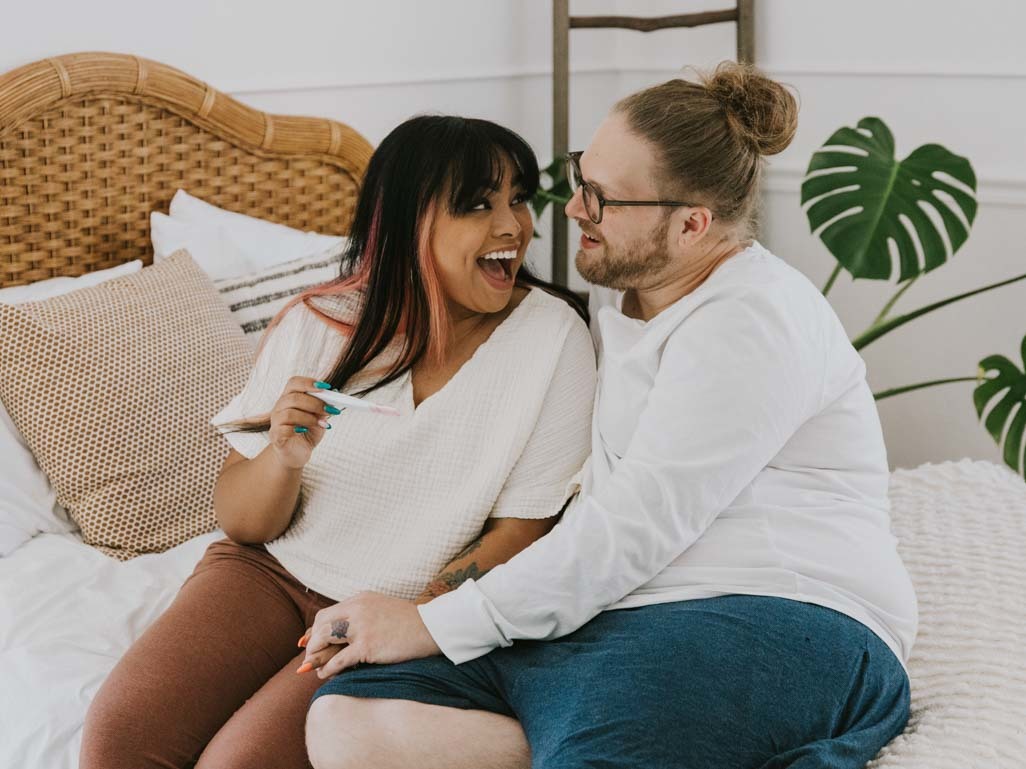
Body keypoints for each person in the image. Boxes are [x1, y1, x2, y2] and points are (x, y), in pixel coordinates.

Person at [302, 62, 919, 769]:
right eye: (579, 178)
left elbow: (630, 529)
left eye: (602, 198)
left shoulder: (752, 321)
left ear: (692, 223)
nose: (571, 210)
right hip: (620, 616)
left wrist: (429, 621)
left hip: (778, 613)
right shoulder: (624, 299)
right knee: (350, 719)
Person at [79, 115, 596, 769]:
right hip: (264, 576)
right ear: (409, 220)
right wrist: (283, 459)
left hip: (396, 606)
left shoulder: (554, 339)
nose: (513, 226)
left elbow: (522, 532)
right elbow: (241, 522)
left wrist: (413, 618)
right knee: (116, 740)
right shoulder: (318, 322)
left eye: (517, 198)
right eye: (477, 204)